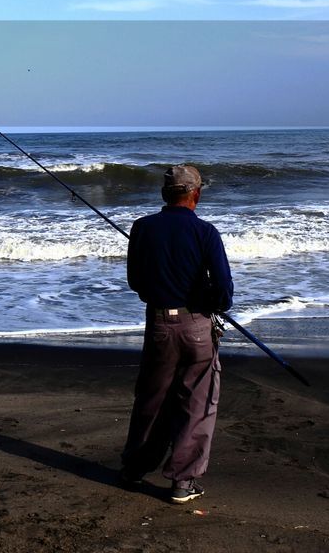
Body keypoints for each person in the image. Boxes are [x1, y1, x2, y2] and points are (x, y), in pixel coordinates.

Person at [119, 164, 234, 504]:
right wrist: (208, 300)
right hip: (197, 326)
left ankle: (134, 469)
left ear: (164, 194)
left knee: (151, 400)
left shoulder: (142, 228)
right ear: (195, 194)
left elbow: (136, 283)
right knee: (197, 404)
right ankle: (183, 483)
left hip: (158, 325)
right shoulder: (205, 232)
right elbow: (224, 292)